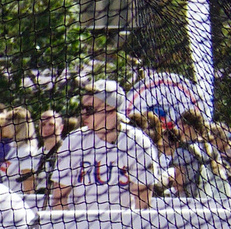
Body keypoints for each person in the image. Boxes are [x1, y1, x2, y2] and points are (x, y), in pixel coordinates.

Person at [50, 82, 159, 210]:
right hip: (80, 225)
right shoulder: (74, 141)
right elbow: (59, 199)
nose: (83, 114)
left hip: (123, 226)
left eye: (90, 109)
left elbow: (143, 202)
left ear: (111, 110)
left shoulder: (138, 142)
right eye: (83, 107)